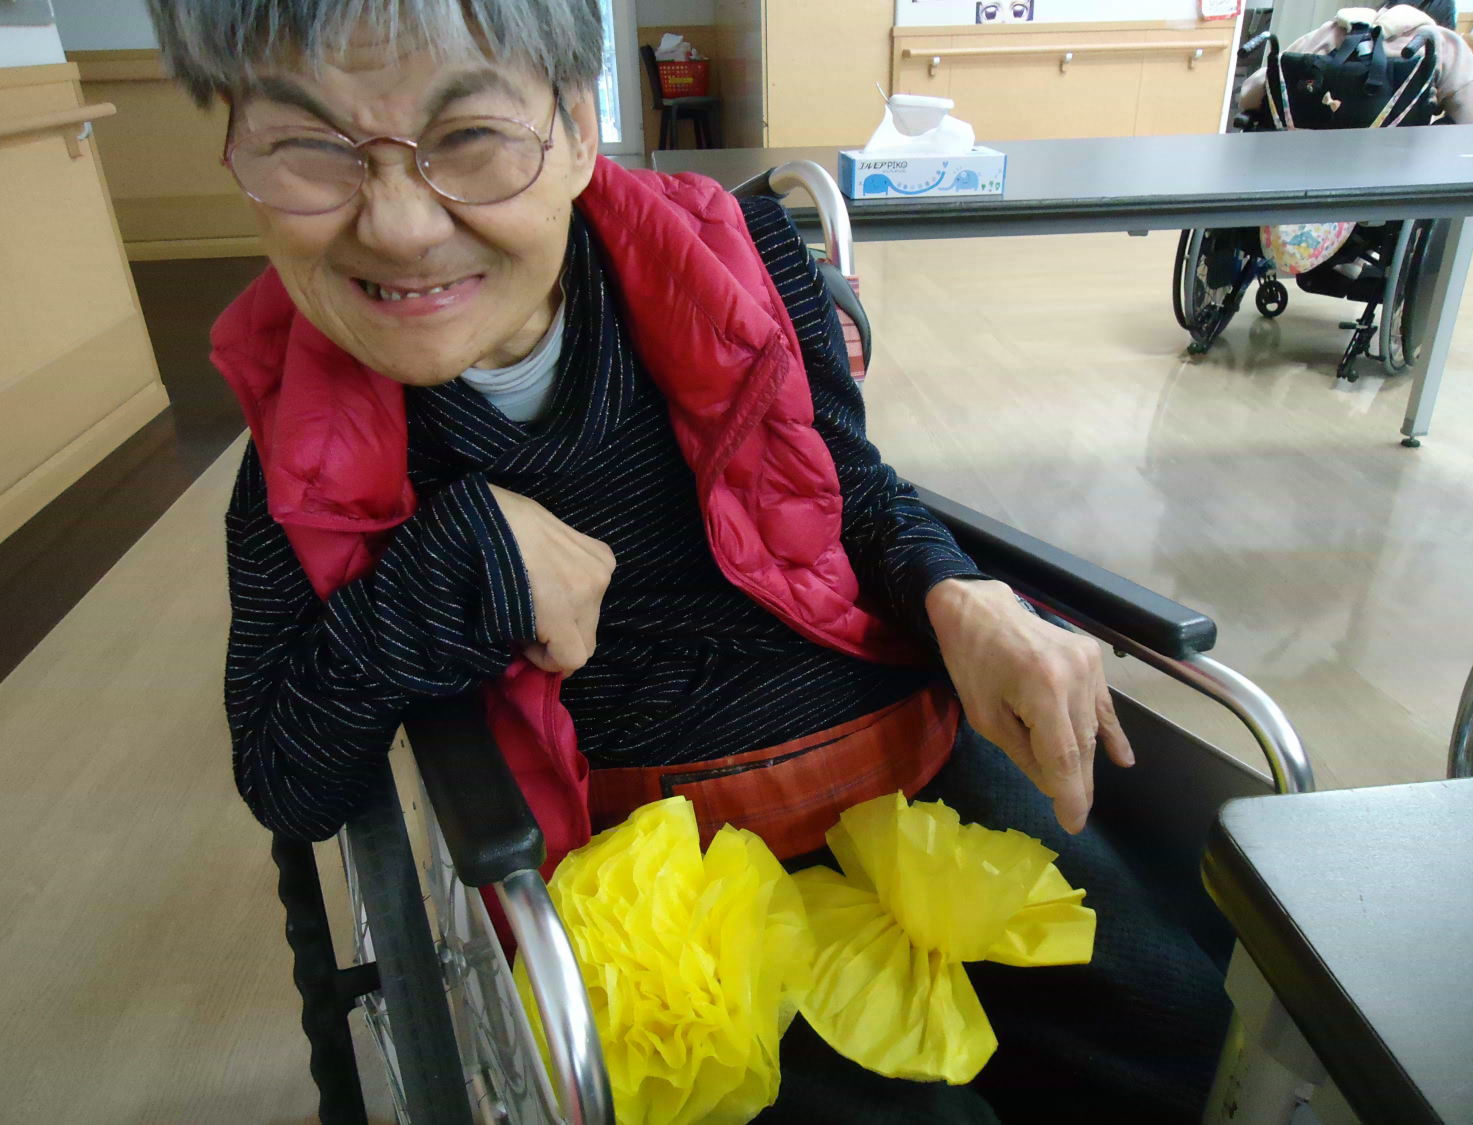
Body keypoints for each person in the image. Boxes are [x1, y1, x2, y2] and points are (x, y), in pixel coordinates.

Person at [147, 1, 1230, 1120]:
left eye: (467, 137)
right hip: (651, 877)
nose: (402, 226)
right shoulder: (299, 455)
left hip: (899, 750)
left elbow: (848, 490)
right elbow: (288, 777)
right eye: (312, 147)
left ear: (577, 127)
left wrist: (958, 590)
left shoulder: (735, 259)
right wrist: (458, 561)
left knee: (1183, 1031)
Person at [1240, 2, 1473, 124]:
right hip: (1392, 186)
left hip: (1300, 172)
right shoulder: (1441, 42)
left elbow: (1250, 97)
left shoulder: (1330, 32)